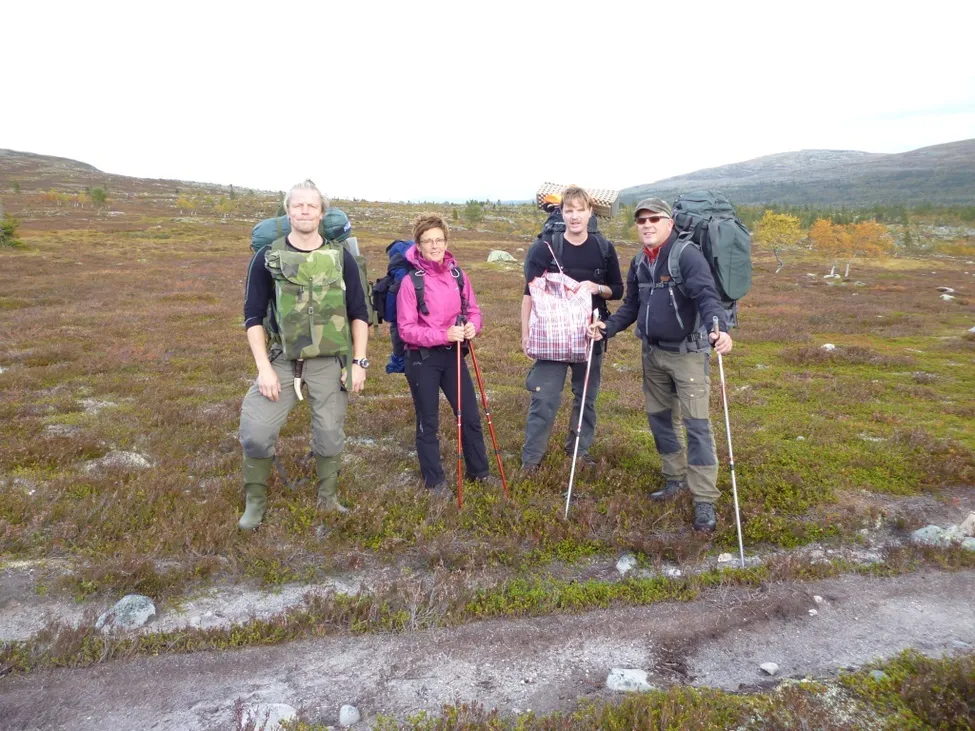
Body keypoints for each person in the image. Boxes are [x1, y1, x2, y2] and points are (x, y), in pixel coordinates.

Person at [591, 197, 733, 532]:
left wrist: (719, 328)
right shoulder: (640, 262)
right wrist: (607, 328)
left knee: (697, 426)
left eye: (654, 219)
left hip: (688, 356)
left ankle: (704, 500)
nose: (647, 225)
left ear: (669, 223)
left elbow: (707, 297)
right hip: (651, 354)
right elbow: (631, 307)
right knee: (660, 421)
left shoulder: (687, 255)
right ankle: (675, 478)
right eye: (641, 221)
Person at [237, 179, 370, 530]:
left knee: (329, 434)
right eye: (298, 205)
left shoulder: (342, 257)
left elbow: (360, 313)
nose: (305, 211)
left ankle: (328, 499)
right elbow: (252, 317)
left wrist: (358, 362)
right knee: (255, 431)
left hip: (330, 360)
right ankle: (255, 503)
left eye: (312, 206)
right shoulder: (266, 258)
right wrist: (264, 369)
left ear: (321, 212)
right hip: (281, 359)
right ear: (288, 211)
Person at [520, 186, 623, 472]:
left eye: (581, 210)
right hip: (551, 336)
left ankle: (578, 451)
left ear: (591, 212)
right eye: (569, 210)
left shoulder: (604, 249)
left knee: (586, 398)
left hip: (590, 334)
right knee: (544, 397)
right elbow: (528, 293)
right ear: (561, 213)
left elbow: (617, 290)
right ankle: (531, 461)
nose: (575, 216)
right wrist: (525, 334)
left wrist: (596, 288)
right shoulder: (544, 248)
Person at [396, 214, 496, 493]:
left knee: (470, 416)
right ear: (418, 244)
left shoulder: (458, 275)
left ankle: (480, 472)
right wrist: (443, 334)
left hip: (454, 356)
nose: (434, 245)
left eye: (439, 239)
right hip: (421, 360)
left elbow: (473, 310)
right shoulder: (410, 282)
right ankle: (435, 481)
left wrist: (472, 327)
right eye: (428, 241)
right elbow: (406, 329)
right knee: (428, 421)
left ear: (446, 241)